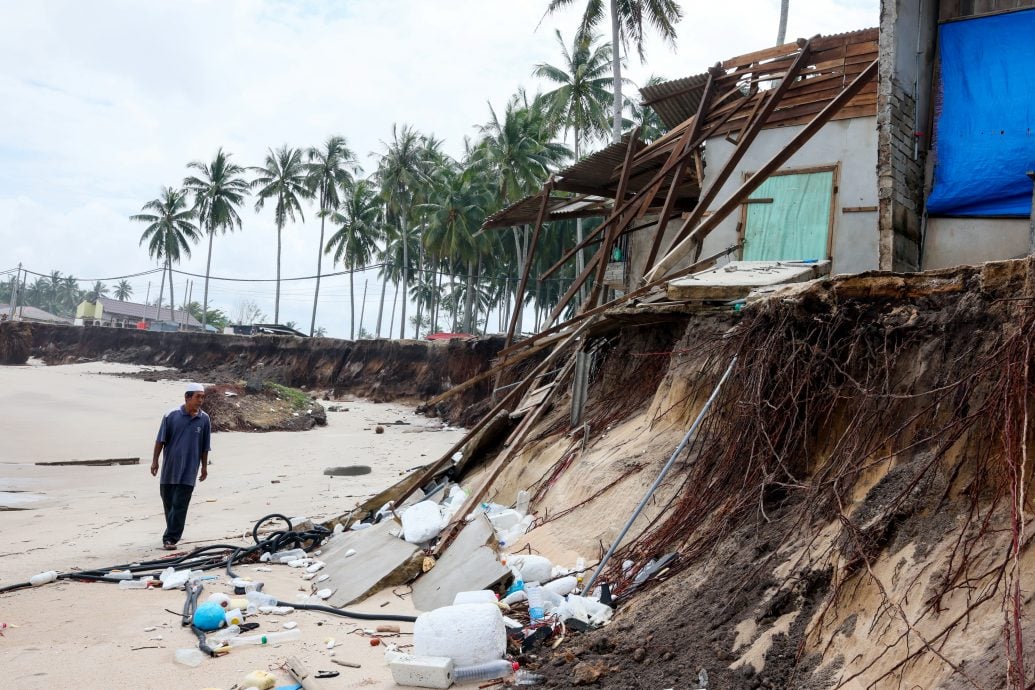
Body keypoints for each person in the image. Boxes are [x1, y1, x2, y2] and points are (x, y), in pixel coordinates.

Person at [151, 382, 211, 550]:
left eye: (203, 397)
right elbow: (160, 440)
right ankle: (173, 529)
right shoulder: (171, 415)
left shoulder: (204, 419)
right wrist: (155, 461)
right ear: (187, 397)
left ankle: (170, 538)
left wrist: (204, 467)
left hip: (189, 471)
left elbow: (205, 446)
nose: (201, 400)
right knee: (168, 502)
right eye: (198, 397)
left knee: (180, 504)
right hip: (169, 469)